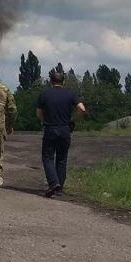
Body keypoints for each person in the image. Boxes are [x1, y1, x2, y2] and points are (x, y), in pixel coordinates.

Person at [36, 68, 86, 197]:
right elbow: (82, 109)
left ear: (51, 81)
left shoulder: (44, 94)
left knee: (47, 157)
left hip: (50, 128)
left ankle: (53, 183)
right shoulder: (70, 93)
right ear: (63, 81)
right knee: (62, 159)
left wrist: (45, 120)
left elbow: (39, 114)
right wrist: (73, 120)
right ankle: (59, 189)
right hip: (65, 129)